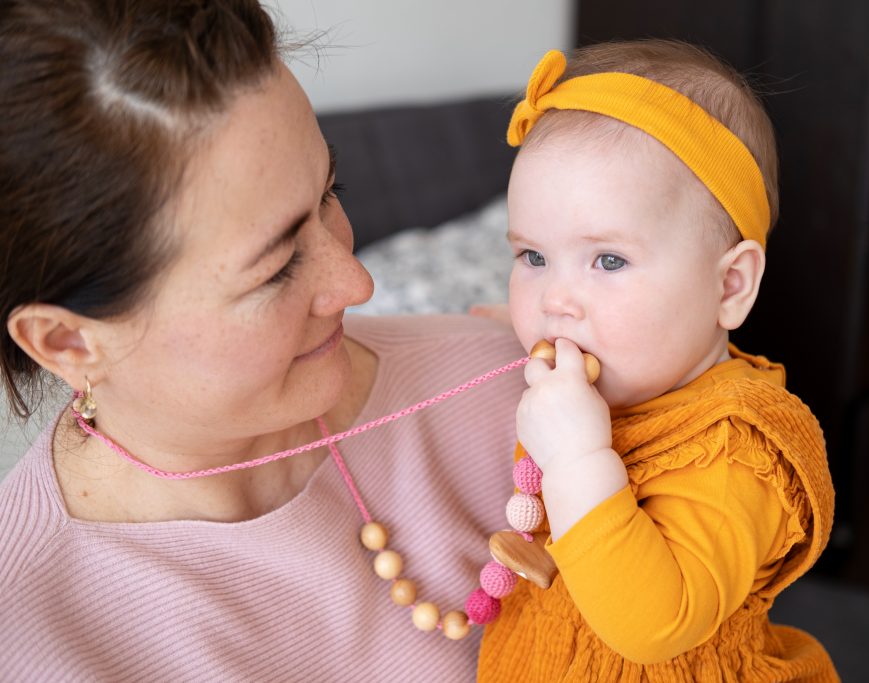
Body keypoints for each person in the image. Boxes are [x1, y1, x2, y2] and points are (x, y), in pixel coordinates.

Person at [0, 1, 525, 680]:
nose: (357, 283)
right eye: (276, 269)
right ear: (67, 340)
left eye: (330, 193)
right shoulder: (29, 634)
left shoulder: (511, 397)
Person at [476, 41, 839, 681]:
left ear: (729, 287)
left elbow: (653, 627)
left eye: (608, 261)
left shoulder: (734, 450)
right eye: (533, 257)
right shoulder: (613, 363)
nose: (555, 302)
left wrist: (575, 460)